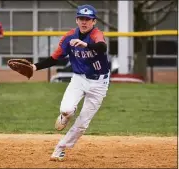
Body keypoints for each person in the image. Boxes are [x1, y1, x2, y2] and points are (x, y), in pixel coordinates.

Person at [32, 4, 110, 161]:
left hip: (99, 84)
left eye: (88, 19)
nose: (84, 22)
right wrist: (35, 67)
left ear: (94, 22)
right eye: (81, 18)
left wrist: (86, 44)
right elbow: (54, 59)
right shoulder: (69, 37)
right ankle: (65, 116)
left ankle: (61, 148)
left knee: (82, 124)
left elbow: (102, 47)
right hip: (79, 79)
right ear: (76, 20)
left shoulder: (96, 34)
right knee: (66, 109)